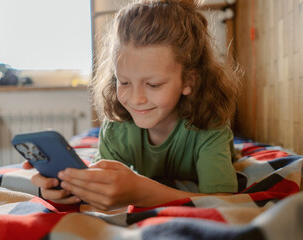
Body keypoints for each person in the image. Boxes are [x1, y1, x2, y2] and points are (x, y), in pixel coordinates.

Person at [23, 0, 241, 211]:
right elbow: (101, 187)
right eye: (124, 82)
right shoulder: (117, 128)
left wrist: (140, 192)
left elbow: (222, 202)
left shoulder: (211, 126)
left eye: (153, 84)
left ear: (188, 81)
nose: (136, 99)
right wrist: (64, 188)